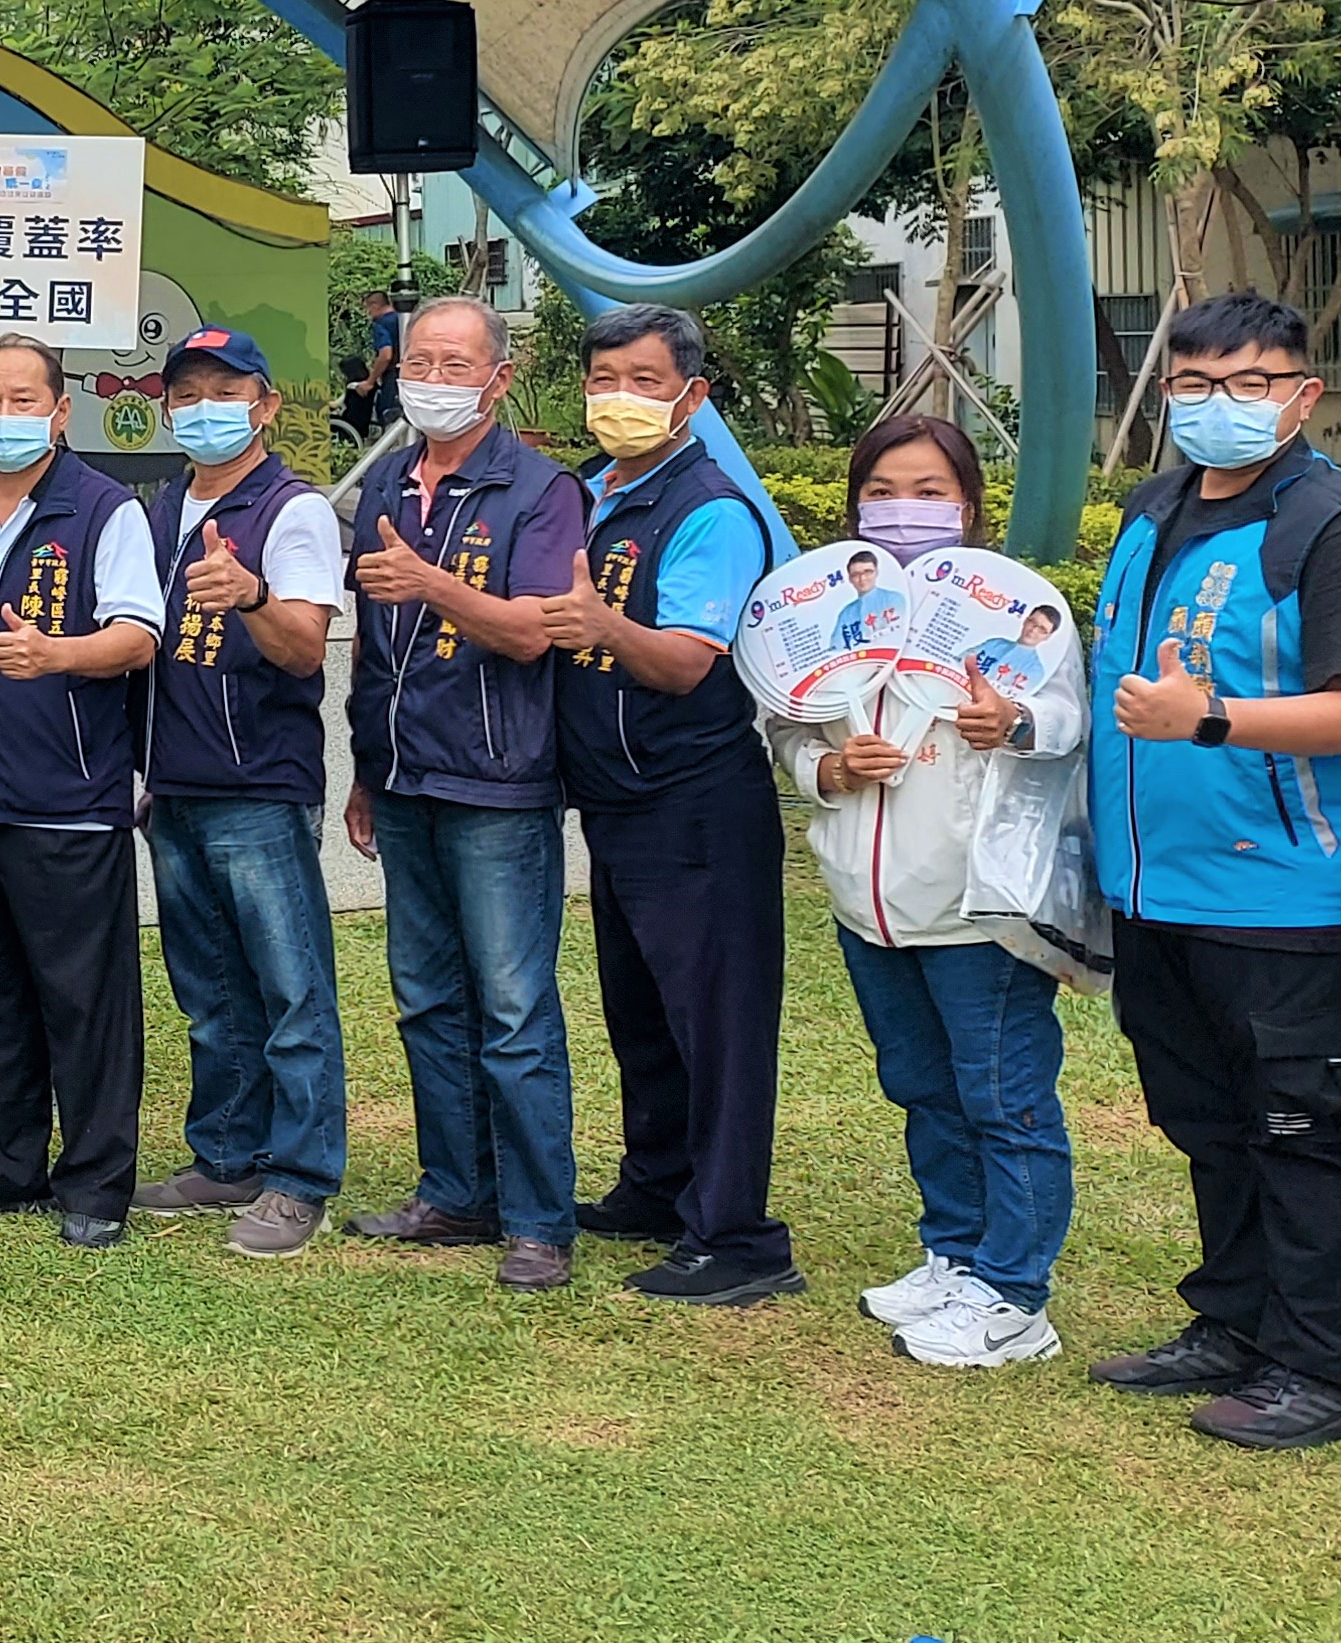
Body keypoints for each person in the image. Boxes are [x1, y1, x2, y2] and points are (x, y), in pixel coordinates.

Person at [1080, 291, 1341, 1449]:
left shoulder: (1335, 529)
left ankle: (1323, 1370)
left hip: (1291, 896)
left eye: (1249, 384)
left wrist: (1209, 719)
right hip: (1158, 888)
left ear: (1302, 395)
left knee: (1304, 1130)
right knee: (1204, 1119)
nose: (1220, 406)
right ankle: (1234, 1322)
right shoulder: (1152, 507)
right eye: (1196, 384)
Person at [770, 414, 1079, 1369]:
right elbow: (782, 720)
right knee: (920, 1087)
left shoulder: (1017, 613)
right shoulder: (824, 616)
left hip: (972, 910)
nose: (904, 512)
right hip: (869, 908)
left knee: (1004, 1098)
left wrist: (1014, 720)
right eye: (884, 492)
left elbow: (1069, 718)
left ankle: (1015, 1298)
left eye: (930, 493)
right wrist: (828, 765)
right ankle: (955, 1254)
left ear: (971, 507)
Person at [543, 304, 804, 1305]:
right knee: (641, 1010)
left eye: (643, 380)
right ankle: (656, 1186)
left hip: (692, 802)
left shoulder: (709, 509)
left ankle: (737, 1234)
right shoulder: (595, 490)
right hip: (617, 802)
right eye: (604, 376)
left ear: (691, 395)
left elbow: (687, 664)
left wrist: (596, 625)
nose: (618, 396)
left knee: (716, 1022)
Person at [337, 293, 590, 1290]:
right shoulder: (389, 483)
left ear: (498, 377)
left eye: (454, 364)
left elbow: (535, 631)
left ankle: (538, 1220)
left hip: (495, 785)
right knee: (425, 999)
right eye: (418, 362)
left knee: (515, 1006)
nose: (430, 379)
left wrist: (431, 580)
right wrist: (364, 768)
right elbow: (373, 646)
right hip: (403, 779)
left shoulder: (536, 490)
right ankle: (454, 1191)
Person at [0, 335, 158, 1250]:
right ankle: (1, 1165)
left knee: (84, 996)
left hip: (66, 794)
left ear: (58, 412)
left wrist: (58, 655)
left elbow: (137, 638)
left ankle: (93, 1183)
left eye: (23, 399)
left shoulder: (104, 509)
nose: (1, 415)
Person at [128, 328, 346, 1259]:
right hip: (172, 783)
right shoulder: (159, 505)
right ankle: (226, 1156)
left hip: (258, 784)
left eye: (226, 390)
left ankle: (300, 1178)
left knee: (291, 986)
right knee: (212, 990)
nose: (203, 406)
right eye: (186, 391)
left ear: (265, 404)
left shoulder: (293, 511)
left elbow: (304, 648)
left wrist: (253, 594)